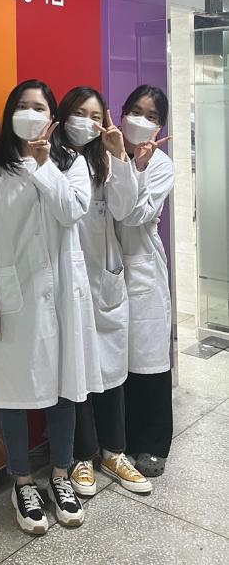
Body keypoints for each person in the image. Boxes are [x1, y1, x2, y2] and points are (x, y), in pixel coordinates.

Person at [0, 79, 102, 535]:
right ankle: (22, 483)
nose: (30, 113)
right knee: (13, 392)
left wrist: (44, 166)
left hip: (63, 296)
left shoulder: (71, 163)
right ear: (10, 115)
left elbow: (72, 212)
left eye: (39, 107)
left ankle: (60, 475)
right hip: (13, 300)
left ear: (52, 119)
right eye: (22, 106)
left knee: (64, 386)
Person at [55, 87, 152, 498]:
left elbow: (124, 209)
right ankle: (82, 456)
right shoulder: (49, 160)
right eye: (80, 113)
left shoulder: (104, 159)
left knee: (110, 369)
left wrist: (121, 156)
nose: (88, 123)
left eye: (96, 116)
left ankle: (114, 452)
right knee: (76, 370)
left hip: (102, 276)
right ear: (64, 115)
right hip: (63, 278)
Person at [115, 85, 174, 478]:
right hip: (102, 268)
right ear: (121, 113)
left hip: (142, 267)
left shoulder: (162, 165)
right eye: (135, 111)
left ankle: (152, 443)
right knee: (112, 361)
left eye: (151, 116)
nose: (141, 120)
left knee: (147, 360)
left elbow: (134, 215)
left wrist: (136, 167)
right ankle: (116, 442)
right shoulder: (102, 154)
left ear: (159, 127)